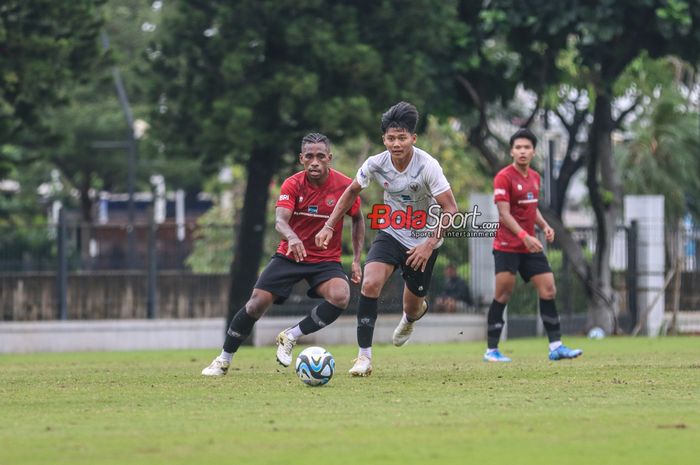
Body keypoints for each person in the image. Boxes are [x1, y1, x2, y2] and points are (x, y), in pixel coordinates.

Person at [202, 133, 364, 376]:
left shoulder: (345, 186)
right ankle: (223, 360)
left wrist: (358, 260)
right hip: (290, 255)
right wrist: (292, 237)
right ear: (301, 159)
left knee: (341, 296)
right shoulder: (293, 184)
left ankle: (290, 336)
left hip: (324, 260)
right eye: (309, 157)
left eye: (321, 156)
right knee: (255, 305)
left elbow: (358, 219)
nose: (315, 162)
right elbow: (280, 220)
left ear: (329, 158)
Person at [315, 101, 458, 376]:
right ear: (384, 140)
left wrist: (429, 244)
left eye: (402, 138)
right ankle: (364, 358)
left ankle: (412, 316)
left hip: (423, 239)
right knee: (369, 283)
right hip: (391, 232)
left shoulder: (428, 165)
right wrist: (329, 225)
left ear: (413, 139)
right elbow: (350, 192)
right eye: (391, 138)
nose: (396, 144)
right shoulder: (375, 164)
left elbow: (451, 209)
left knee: (412, 306)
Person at [484, 127, 582, 362]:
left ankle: (556, 346)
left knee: (549, 288)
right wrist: (524, 236)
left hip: (529, 247)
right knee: (503, 294)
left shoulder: (535, 178)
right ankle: (491, 350)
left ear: (534, 151)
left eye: (527, 147)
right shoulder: (503, 177)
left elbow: (532, 207)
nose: (522, 151)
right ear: (511, 151)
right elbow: (504, 213)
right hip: (508, 245)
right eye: (518, 147)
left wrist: (545, 226)